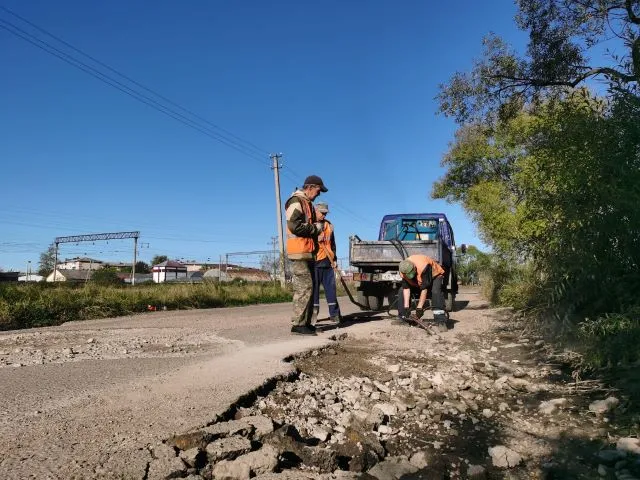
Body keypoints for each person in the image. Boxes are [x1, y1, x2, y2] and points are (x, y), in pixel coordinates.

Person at [285, 175, 328, 335]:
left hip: (307, 252)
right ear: (310, 187)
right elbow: (294, 226)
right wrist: (315, 229)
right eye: (318, 190)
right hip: (299, 253)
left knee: (311, 286)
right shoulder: (296, 201)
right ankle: (297, 324)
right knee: (304, 287)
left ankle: (306, 323)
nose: (319, 194)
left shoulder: (306, 203)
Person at [312, 202, 341, 324]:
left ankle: (335, 315)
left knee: (331, 290)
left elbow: (333, 244)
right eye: (322, 213)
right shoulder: (309, 224)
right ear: (315, 211)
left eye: (325, 213)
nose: (324, 216)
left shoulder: (329, 226)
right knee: (314, 292)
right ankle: (313, 315)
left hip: (328, 262)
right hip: (314, 262)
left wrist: (334, 260)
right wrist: (313, 237)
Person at [397, 254, 446, 323]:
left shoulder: (424, 266)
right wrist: (406, 307)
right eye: (408, 275)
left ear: (414, 267)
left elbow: (424, 289)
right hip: (419, 279)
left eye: (412, 273)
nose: (410, 276)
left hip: (435, 276)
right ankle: (403, 317)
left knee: (435, 291)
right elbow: (406, 289)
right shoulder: (403, 271)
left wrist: (419, 308)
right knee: (401, 290)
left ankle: (440, 320)